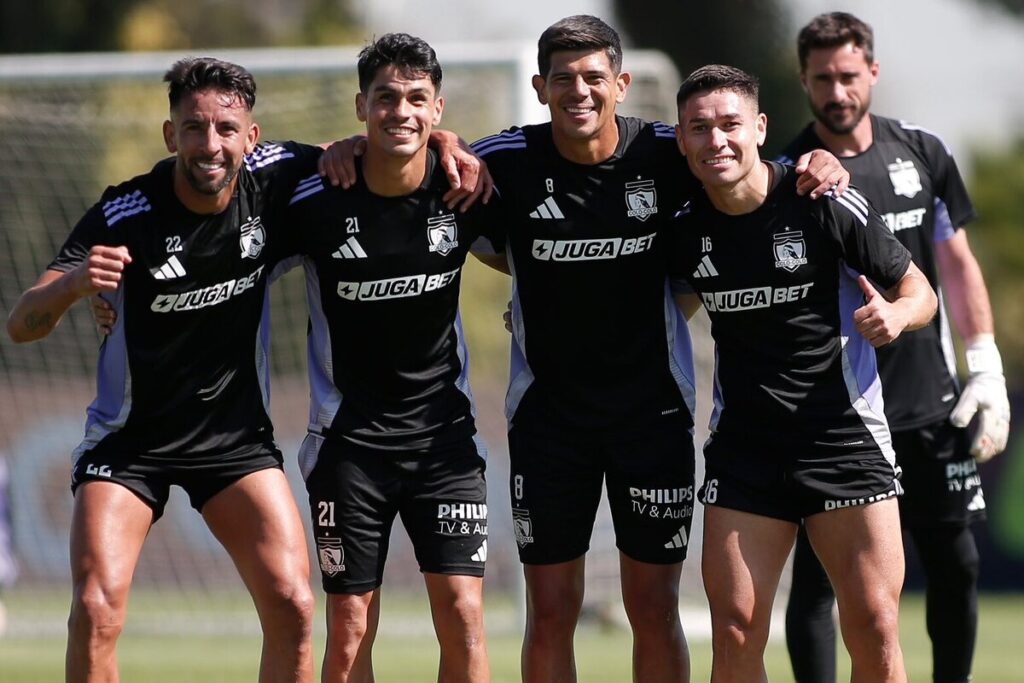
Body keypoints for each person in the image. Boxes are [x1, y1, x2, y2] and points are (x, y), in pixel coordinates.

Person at [320, 17, 847, 682]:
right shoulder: (504, 162)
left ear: (621, 84)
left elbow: (744, 168)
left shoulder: (666, 154)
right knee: (550, 610)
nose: (580, 91)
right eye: (563, 78)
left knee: (653, 607)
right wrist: (362, 142)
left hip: (652, 418)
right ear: (539, 87)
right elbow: (414, 157)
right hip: (548, 424)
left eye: (595, 78)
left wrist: (817, 159)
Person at [5, 57, 320, 681]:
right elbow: (20, 324)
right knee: (95, 609)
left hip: (234, 443)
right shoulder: (125, 214)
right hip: (131, 444)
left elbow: (376, 148)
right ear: (170, 134)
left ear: (250, 137)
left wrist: (443, 140)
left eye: (226, 129)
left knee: (293, 604)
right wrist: (73, 286)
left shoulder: (279, 180)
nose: (211, 144)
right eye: (195, 128)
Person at [670, 64, 937, 682]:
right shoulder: (682, 229)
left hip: (842, 439)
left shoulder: (821, 199)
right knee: (735, 629)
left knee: (872, 623)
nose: (718, 141)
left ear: (759, 128)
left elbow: (919, 290)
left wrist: (896, 317)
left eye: (731, 124)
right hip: (745, 452)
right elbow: (654, 306)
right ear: (681, 140)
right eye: (700, 128)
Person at [778, 13, 1011, 683]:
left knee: (957, 559)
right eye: (821, 78)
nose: (837, 91)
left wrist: (986, 366)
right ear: (803, 81)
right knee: (823, 581)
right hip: (835, 409)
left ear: (872, 73)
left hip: (925, 395)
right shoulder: (790, 173)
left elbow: (956, 263)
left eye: (848, 75)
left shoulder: (922, 152)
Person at [280, 33, 500, 682]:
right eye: (385, 98)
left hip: (445, 443)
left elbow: (545, 253)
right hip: (349, 446)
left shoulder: (467, 188)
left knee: (463, 613)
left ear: (437, 111)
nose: (399, 111)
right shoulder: (316, 198)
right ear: (360, 107)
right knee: (348, 626)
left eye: (415, 98)